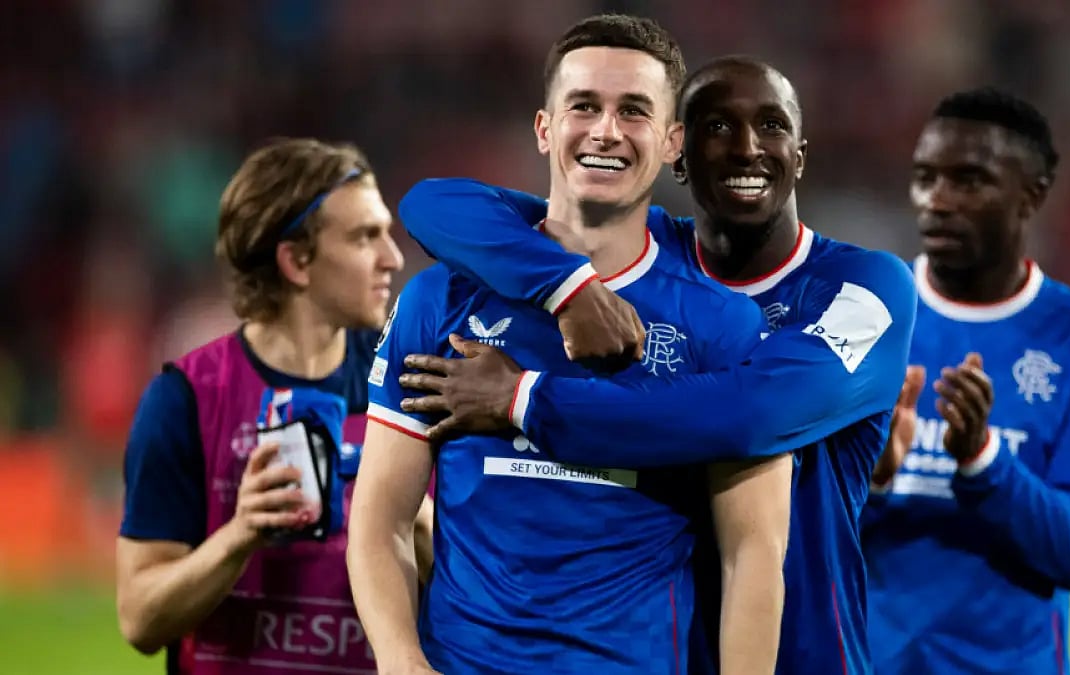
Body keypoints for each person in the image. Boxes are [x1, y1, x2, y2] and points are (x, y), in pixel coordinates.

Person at [394, 56, 916, 675]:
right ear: (678, 152)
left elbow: (750, 410)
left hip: (810, 652)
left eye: (772, 126)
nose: (747, 148)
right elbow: (435, 205)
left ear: (799, 155)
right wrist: (573, 290)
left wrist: (526, 403)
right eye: (717, 127)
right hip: (664, 647)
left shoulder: (863, 287)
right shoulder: (642, 261)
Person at [348, 16, 792, 675]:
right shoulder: (440, 301)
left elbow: (751, 553)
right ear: (544, 128)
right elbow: (381, 518)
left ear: (673, 143)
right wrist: (401, 659)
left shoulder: (722, 326)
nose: (606, 130)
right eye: (583, 105)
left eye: (634, 111)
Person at [861, 87, 1070, 674]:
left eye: (968, 181)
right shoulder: (865, 317)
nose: (937, 201)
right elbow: (788, 534)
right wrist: (871, 480)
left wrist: (983, 460)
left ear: (1031, 196)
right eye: (924, 177)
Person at [115, 138, 418, 674]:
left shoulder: (410, 389)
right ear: (296, 260)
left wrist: (406, 515)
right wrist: (241, 534)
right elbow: (140, 619)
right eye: (365, 236)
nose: (392, 257)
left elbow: (478, 593)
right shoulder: (186, 400)